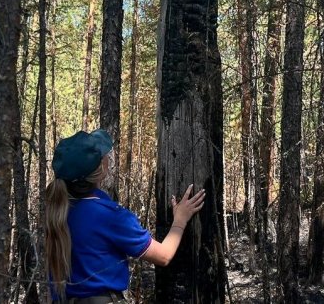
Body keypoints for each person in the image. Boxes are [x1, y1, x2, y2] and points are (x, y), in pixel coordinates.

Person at [45, 129, 205, 303]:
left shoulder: (57, 210)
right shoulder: (108, 216)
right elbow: (164, 256)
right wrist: (180, 220)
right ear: (99, 169)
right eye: (101, 154)